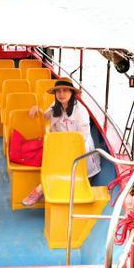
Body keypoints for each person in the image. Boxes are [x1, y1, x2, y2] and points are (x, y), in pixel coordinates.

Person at [22, 78, 101, 207]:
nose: (61, 94)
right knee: (55, 161)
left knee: (63, 164)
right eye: (58, 91)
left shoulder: (80, 111)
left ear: (71, 93)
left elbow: (83, 137)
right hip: (63, 149)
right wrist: (37, 109)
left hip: (81, 150)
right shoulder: (55, 107)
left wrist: (66, 149)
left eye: (65, 91)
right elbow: (45, 116)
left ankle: (39, 190)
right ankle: (42, 190)